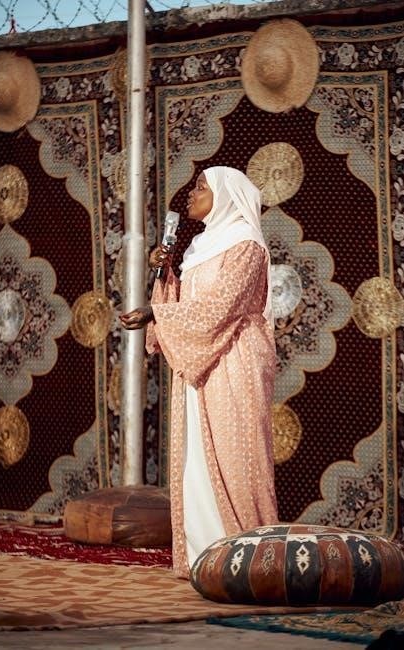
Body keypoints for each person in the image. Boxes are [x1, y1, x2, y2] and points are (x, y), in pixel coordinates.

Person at [120, 166, 278, 578]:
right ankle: (204, 557)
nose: (191, 194)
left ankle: (251, 559)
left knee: (235, 457)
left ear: (225, 196)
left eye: (201, 187)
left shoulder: (246, 244)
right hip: (200, 360)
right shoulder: (198, 248)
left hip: (233, 361)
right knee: (197, 459)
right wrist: (165, 272)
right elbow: (182, 305)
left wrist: (156, 313)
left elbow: (222, 306)